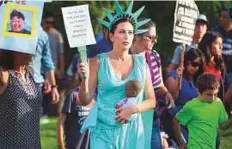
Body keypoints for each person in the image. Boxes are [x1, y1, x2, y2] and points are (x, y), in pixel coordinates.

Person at [78, 1, 156, 149]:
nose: (126, 36)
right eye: (121, 32)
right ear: (111, 36)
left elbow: (152, 101)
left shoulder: (141, 64)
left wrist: (133, 109)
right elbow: (84, 100)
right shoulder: (97, 62)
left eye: (130, 32)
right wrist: (84, 80)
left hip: (132, 131)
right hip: (104, 133)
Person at [130, 20, 175, 149]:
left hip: (151, 116)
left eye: (155, 37)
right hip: (131, 116)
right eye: (150, 38)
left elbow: (158, 84)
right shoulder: (124, 57)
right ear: (137, 36)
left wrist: (166, 93)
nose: (154, 41)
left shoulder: (154, 56)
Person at [173, 73, 230, 149]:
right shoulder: (191, 106)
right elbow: (175, 121)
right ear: (198, 92)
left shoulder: (218, 103)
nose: (212, 98)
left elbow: (223, 125)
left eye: (215, 94)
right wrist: (181, 142)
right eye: (209, 94)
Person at [0, 50, 42, 148]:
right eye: (22, 49)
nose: (28, 52)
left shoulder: (31, 74)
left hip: (33, 143)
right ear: (11, 51)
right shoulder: (4, 75)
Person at [165, 48, 205, 143]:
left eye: (199, 66)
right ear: (186, 62)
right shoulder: (173, 77)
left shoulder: (195, 80)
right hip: (177, 123)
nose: (197, 68)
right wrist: (178, 79)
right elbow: (171, 100)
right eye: (194, 64)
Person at [57, 75, 95, 149]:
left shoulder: (97, 95)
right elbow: (60, 122)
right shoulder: (73, 95)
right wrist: (60, 145)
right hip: (74, 145)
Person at [31, 27, 59, 123]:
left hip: (33, 82)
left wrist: (53, 85)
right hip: (35, 82)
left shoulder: (42, 34)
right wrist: (53, 86)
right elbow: (47, 62)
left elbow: (47, 62)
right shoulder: (42, 34)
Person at [198, 31, 226, 101]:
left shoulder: (220, 64)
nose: (221, 47)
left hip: (215, 103)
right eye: (217, 43)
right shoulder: (198, 63)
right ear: (208, 45)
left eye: (221, 44)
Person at [213, 8, 232, 87]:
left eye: (224, 17)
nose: (221, 19)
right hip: (216, 70)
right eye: (220, 16)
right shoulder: (214, 32)